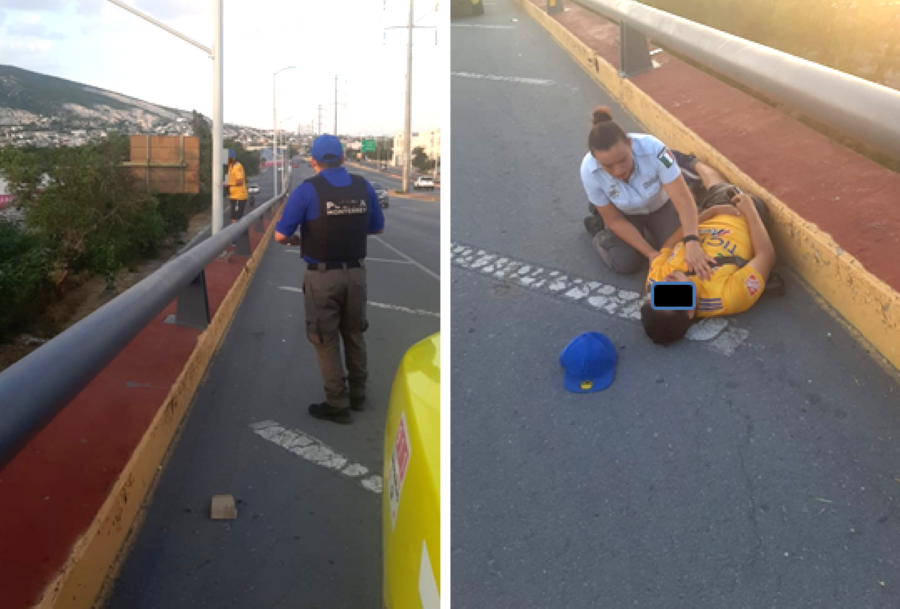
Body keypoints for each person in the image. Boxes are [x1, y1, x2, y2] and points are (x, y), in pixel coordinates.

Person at [273, 134, 385, 425]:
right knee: (354, 334)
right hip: (357, 274)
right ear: (344, 159)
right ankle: (358, 395)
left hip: (322, 278)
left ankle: (337, 403)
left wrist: (299, 240)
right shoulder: (363, 186)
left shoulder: (307, 191)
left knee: (325, 340)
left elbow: (281, 235)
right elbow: (377, 228)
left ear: (313, 161)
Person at [640, 163, 777, 346]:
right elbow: (766, 255)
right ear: (689, 311)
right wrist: (750, 210)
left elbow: (668, 245)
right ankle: (694, 172)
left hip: (706, 216)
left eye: (658, 293)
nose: (666, 282)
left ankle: (692, 167)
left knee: (708, 191)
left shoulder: (654, 281)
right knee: (721, 187)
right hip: (745, 219)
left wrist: (709, 213)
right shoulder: (728, 296)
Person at [581, 106, 717, 280]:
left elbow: (683, 200)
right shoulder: (588, 170)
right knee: (625, 263)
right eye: (608, 166)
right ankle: (599, 232)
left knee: (681, 251)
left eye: (623, 159)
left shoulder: (656, 149)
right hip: (625, 213)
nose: (618, 170)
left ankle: (681, 174)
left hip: (661, 204)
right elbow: (614, 220)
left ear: (630, 143)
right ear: (595, 158)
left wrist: (691, 240)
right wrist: (651, 253)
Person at [227, 149, 249, 225]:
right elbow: (229, 178)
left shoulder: (238, 167)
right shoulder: (230, 166)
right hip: (233, 195)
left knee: (236, 219)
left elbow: (240, 181)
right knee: (233, 218)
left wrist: (228, 183)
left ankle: (243, 232)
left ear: (233, 158)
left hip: (239, 196)